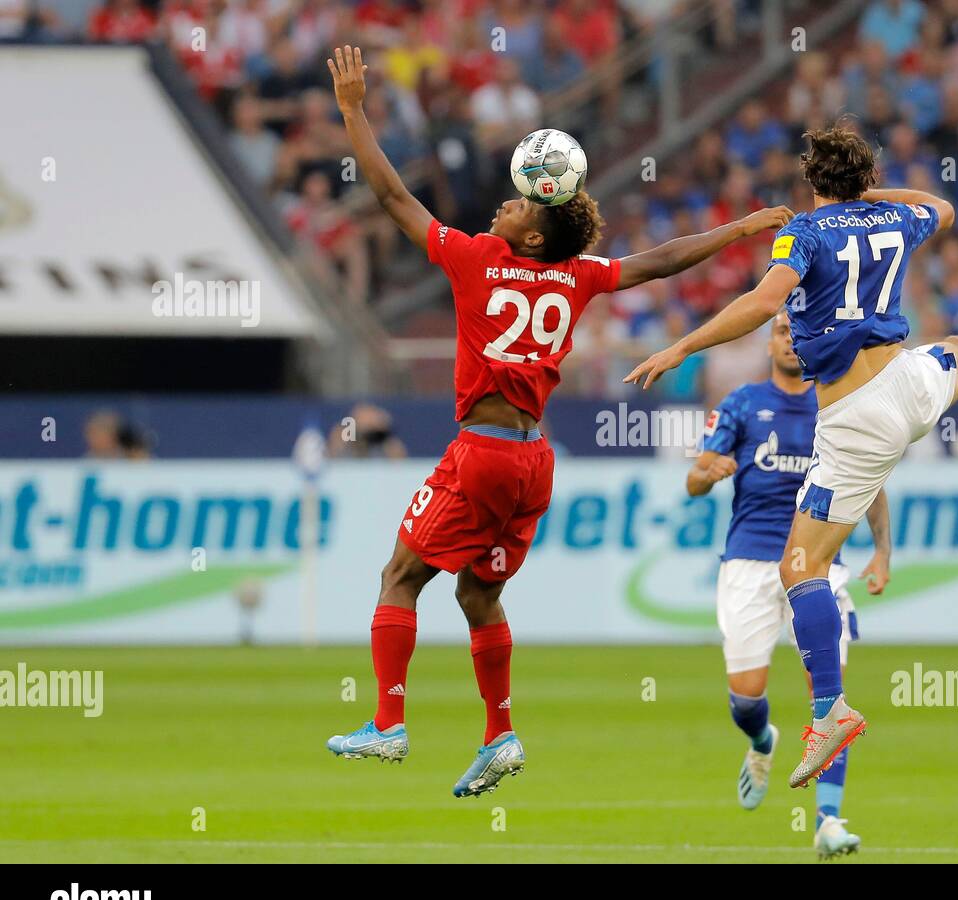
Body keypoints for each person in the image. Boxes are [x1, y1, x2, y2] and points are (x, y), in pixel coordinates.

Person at [321, 46, 793, 797]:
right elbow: (664, 259)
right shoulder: (576, 277)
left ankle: (387, 722)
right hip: (534, 462)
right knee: (478, 595)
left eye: (515, 205)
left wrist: (352, 110)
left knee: (400, 575)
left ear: (531, 235)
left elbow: (393, 199)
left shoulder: (475, 258)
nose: (500, 205)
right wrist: (742, 229)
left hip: (478, 452)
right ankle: (500, 732)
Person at [626, 123, 958, 788]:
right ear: (864, 179)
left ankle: (829, 710)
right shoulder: (892, 216)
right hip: (912, 386)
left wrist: (683, 346)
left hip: (857, 417)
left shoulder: (804, 232)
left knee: (801, 567)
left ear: (812, 182)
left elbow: (763, 301)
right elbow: (941, 207)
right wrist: (868, 193)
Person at [689, 312, 890, 858]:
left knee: (829, 697)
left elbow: (869, 481)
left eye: (796, 334)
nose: (789, 342)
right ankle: (762, 741)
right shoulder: (741, 404)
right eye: (780, 332)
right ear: (770, 341)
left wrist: (882, 553)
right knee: (745, 699)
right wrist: (707, 471)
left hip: (820, 563)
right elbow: (696, 474)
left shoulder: (841, 402)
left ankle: (828, 820)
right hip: (750, 562)